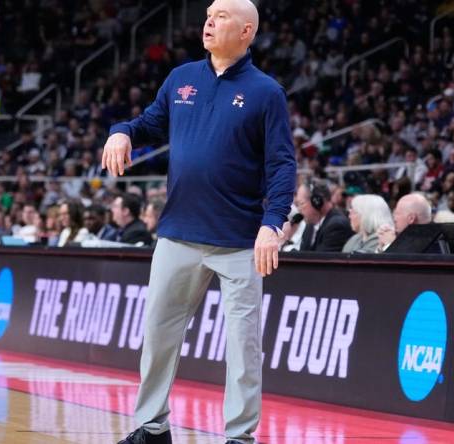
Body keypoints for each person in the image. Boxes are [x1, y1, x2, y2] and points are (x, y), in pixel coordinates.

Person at [103, 1, 296, 442]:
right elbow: (150, 123)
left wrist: (273, 222)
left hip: (239, 239)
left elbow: (282, 164)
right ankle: (152, 429)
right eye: (209, 13)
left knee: (244, 345)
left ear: (247, 31)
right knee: (157, 334)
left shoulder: (267, 92)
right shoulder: (181, 78)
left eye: (222, 15)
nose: (210, 20)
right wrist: (122, 130)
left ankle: (240, 437)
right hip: (178, 233)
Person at [295, 182, 353, 252]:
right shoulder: (310, 226)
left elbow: (320, 260)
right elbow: (303, 254)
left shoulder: (336, 225)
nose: (299, 209)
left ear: (317, 201)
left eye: (301, 204)